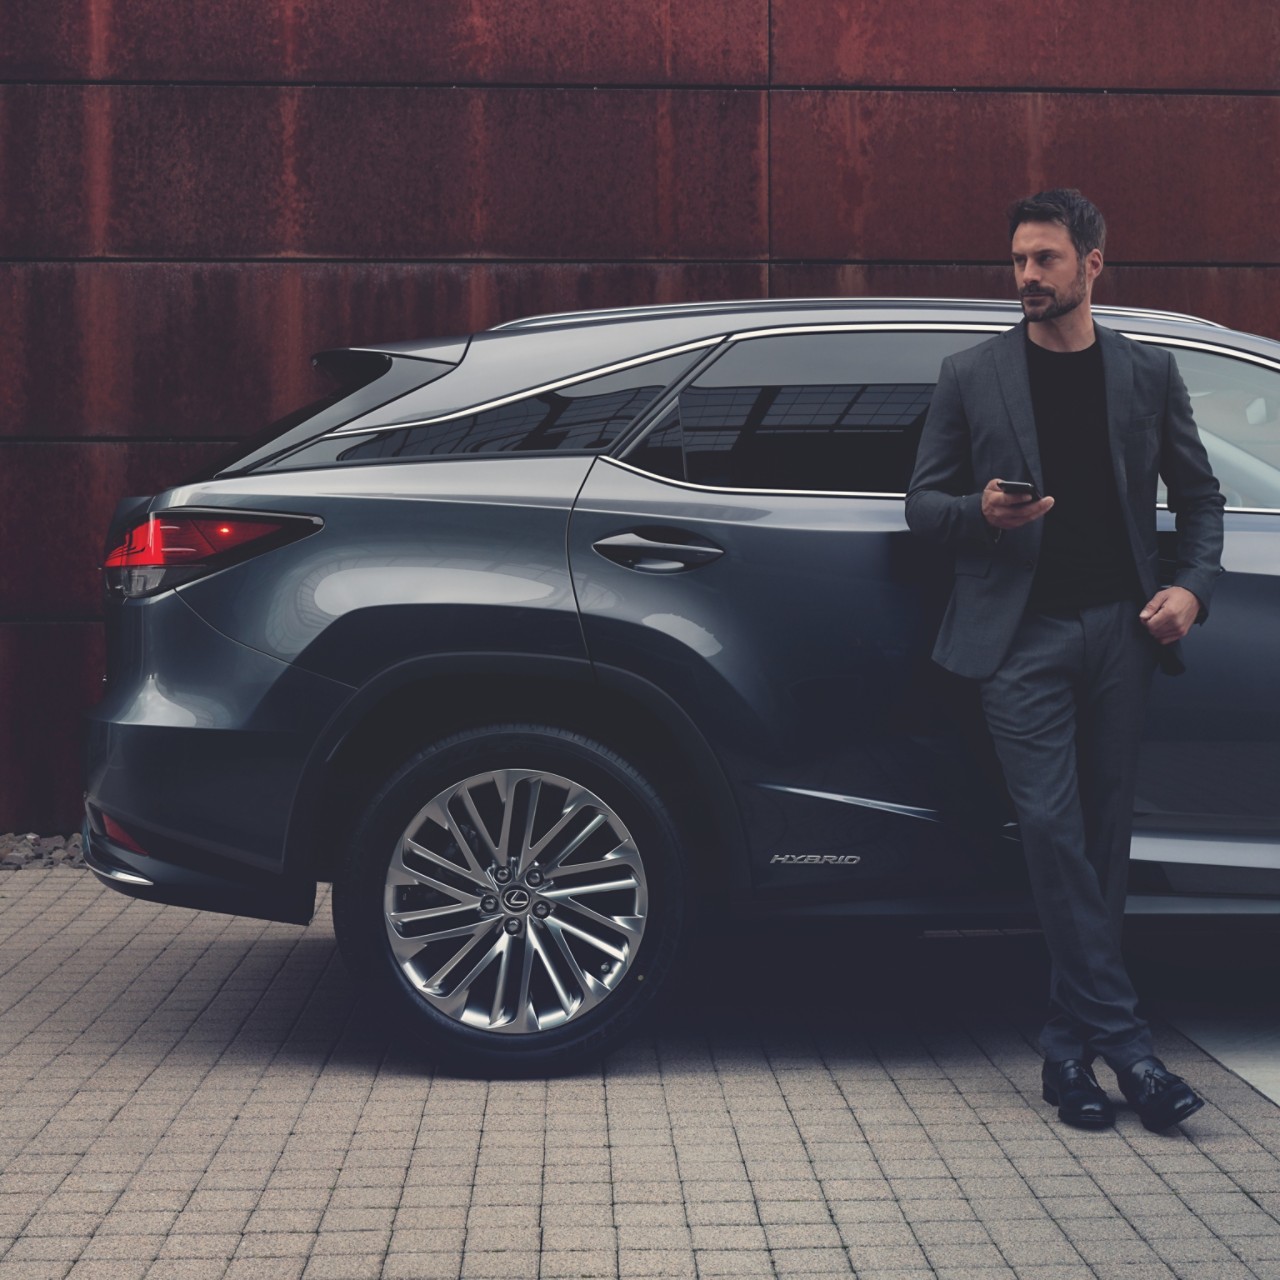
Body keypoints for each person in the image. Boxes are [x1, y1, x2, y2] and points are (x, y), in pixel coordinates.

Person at [906, 188, 1225, 1131]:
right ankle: (1129, 1049)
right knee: (1050, 833)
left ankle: (1064, 1056)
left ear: (1093, 264)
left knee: (1101, 847)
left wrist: (1193, 590)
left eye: (1045, 260)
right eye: (1017, 261)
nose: (1027, 278)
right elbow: (924, 505)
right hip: (1020, 641)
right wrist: (982, 514)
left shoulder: (1146, 373)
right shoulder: (972, 374)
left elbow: (1201, 501)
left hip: (1123, 635)